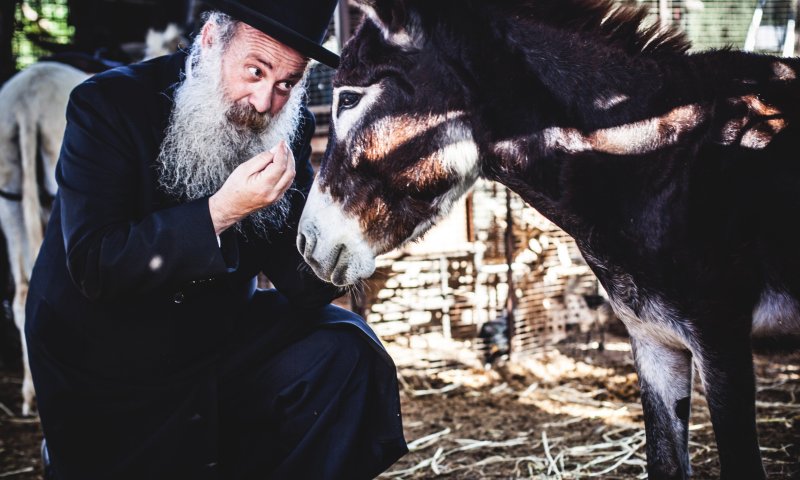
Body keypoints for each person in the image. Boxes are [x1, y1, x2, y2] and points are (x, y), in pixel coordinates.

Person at [25, 0, 408, 478]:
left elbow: (305, 287)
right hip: (105, 352)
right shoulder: (107, 106)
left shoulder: (285, 127)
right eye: (255, 71)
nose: (265, 102)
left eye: (286, 83)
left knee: (348, 352)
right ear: (210, 41)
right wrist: (223, 210)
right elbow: (96, 265)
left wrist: (356, 225)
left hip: (212, 332)